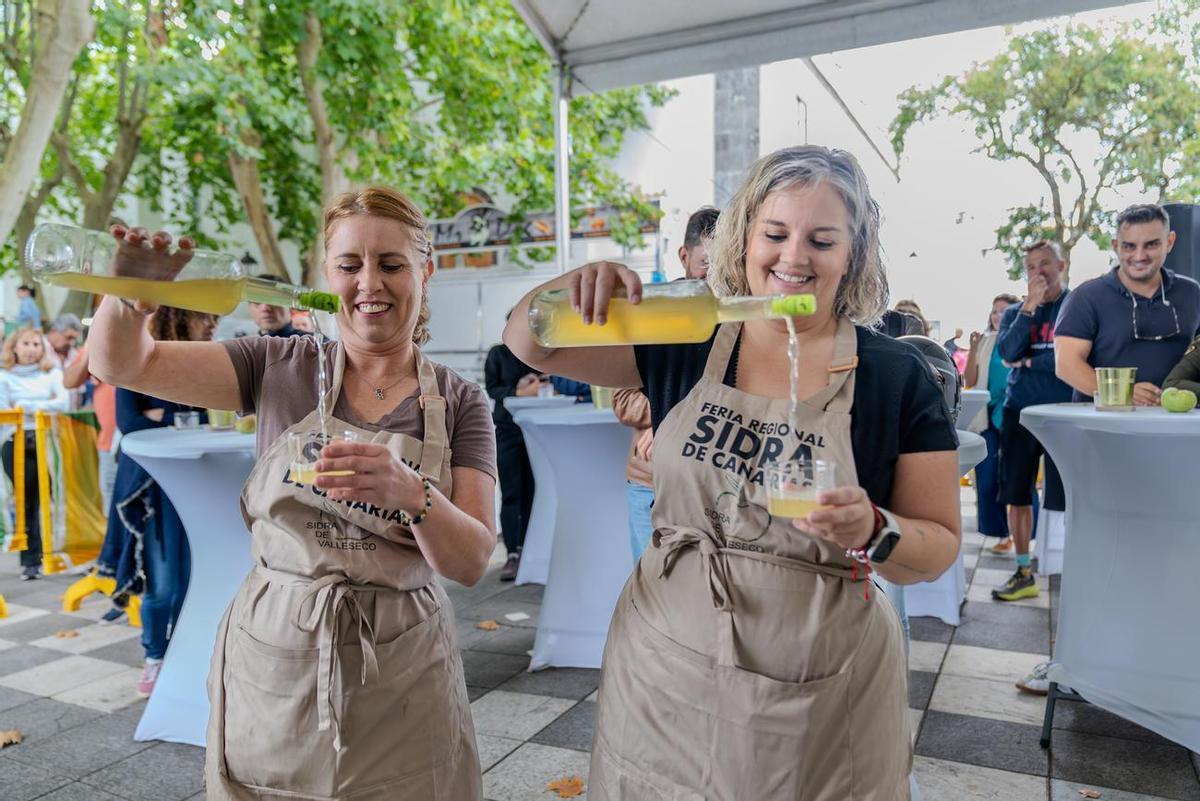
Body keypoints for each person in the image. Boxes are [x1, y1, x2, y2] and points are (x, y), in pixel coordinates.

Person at [504, 145, 961, 799]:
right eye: (775, 233)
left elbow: (937, 544)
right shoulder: (686, 338)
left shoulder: (895, 376)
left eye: (822, 240)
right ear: (744, 237)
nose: (793, 258)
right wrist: (577, 280)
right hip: (666, 674)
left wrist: (874, 526)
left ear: (854, 255)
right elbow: (529, 341)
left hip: (822, 693)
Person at [88, 187, 496, 799]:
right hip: (280, 651)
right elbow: (125, 364)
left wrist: (414, 497)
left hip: (403, 667)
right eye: (349, 265)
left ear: (426, 272)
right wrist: (130, 301)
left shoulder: (462, 403)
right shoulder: (277, 367)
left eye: (391, 264)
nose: (369, 284)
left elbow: (471, 560)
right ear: (325, 277)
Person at [103, 307, 216, 691]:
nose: (212, 323)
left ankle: (185, 655)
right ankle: (154, 656)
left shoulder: (204, 363)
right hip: (152, 488)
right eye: (205, 317)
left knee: (195, 578)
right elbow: (130, 423)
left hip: (199, 482)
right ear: (181, 320)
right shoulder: (138, 360)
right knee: (163, 581)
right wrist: (177, 413)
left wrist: (161, 413)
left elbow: (218, 416)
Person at [615, 205, 721, 560]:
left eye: (724, 264)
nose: (713, 277)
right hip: (651, 481)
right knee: (651, 588)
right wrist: (670, 417)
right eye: (706, 263)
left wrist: (674, 422)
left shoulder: (738, 316)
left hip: (715, 486)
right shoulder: (653, 312)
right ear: (684, 256)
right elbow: (624, 399)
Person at [993, 241, 1074, 603]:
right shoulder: (1015, 312)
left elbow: (1072, 359)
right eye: (1030, 267)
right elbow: (1008, 352)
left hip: (1065, 413)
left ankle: (1073, 565)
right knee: (1017, 493)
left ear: (1062, 264)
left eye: (1045, 264)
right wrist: (1028, 308)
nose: (1037, 272)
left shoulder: (1076, 307)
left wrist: (1029, 363)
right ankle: (1024, 571)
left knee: (1070, 495)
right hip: (1020, 412)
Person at [1056, 204, 1200, 404]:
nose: (1139, 256)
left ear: (1169, 242)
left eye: (1151, 244)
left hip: (1177, 422)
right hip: (1105, 427)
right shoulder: (1086, 297)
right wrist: (1122, 393)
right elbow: (1066, 364)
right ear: (1115, 246)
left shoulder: (1191, 292)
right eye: (1129, 246)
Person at [0, 328, 70, 580]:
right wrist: (42, 407)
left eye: (36, 344)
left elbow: (63, 402)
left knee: (49, 496)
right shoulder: (4, 376)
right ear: (14, 347)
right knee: (27, 501)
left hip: (48, 441)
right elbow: (5, 409)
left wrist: (27, 406)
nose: (31, 349)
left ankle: (52, 550)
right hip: (16, 441)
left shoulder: (51, 372)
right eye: (25, 343)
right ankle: (31, 560)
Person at [963, 294, 1022, 553]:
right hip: (987, 419)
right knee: (986, 479)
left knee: (1018, 478)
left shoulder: (1022, 340)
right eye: (995, 311)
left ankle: (1025, 536)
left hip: (1015, 417)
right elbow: (970, 380)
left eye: (1005, 311)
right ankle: (1000, 533)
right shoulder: (986, 342)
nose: (999, 315)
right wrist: (974, 348)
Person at [484, 334, 539, 581]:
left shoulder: (536, 357)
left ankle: (528, 549)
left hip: (534, 431)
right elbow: (493, 389)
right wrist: (519, 391)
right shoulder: (498, 354)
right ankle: (512, 555)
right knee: (511, 493)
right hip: (506, 431)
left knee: (531, 492)